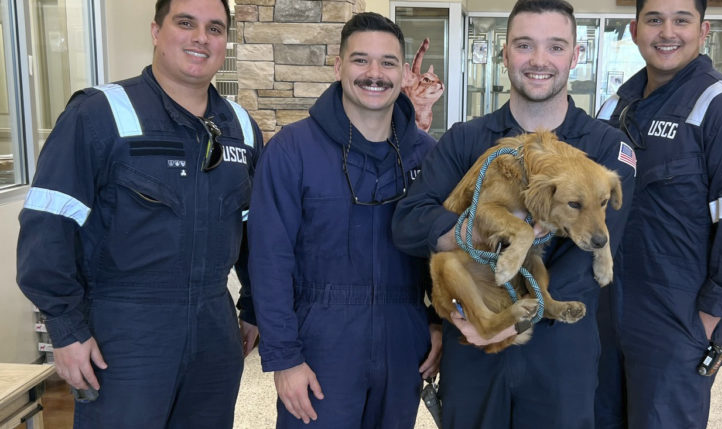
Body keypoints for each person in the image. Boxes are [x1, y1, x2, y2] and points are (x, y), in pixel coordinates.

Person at [16, 0, 261, 426]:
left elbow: (256, 230)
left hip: (213, 326)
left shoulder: (240, 126)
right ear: (155, 30)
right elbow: (48, 226)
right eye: (185, 23)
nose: (201, 38)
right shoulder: (98, 114)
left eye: (215, 28)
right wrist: (67, 329)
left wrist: (254, 307)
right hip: (123, 331)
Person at [391, 1, 635, 427]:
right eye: (525, 45)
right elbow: (409, 223)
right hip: (473, 343)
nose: (539, 61)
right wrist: (472, 232)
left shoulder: (606, 149)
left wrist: (532, 305)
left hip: (561, 353)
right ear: (505, 54)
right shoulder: (465, 141)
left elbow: (594, 251)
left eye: (555, 47)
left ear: (576, 56)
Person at [594, 0, 722, 427]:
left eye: (682, 20)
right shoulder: (614, 108)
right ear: (634, 29)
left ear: (704, 30)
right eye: (654, 19)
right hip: (607, 310)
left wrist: (714, 315)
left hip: (679, 315)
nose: (667, 32)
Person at [247, 12, 441, 428]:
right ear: (338, 66)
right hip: (322, 344)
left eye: (388, 62)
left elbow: (444, 253)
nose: (375, 74)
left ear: (404, 72)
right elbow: (269, 260)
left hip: (402, 339)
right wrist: (284, 358)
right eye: (360, 60)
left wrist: (438, 323)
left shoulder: (427, 156)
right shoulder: (291, 151)